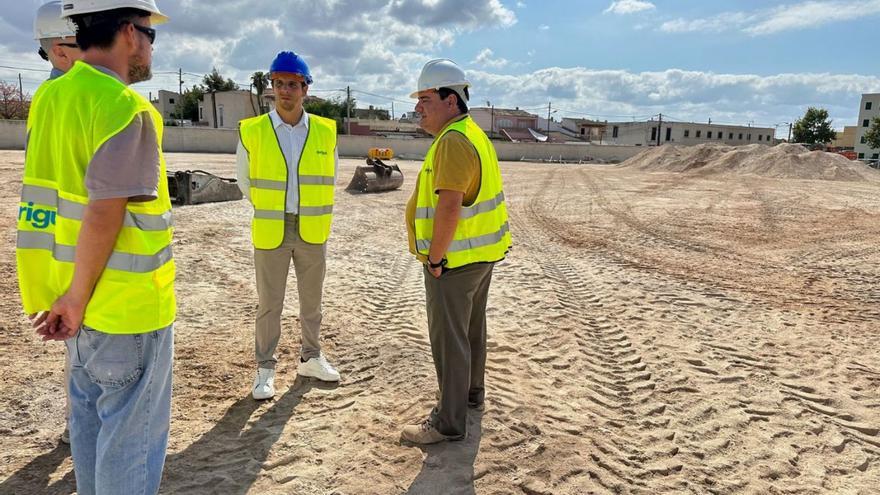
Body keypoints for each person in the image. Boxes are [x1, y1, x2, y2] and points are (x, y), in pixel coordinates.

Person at [17, 1, 175, 493]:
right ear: (129, 32)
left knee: (89, 430)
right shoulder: (124, 107)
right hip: (123, 308)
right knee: (130, 443)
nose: (151, 47)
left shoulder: (52, 97)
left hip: (69, 301)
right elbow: (105, 212)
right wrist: (79, 300)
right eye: (151, 35)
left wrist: (69, 299)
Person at [400, 59, 511, 444]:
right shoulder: (473, 133)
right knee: (471, 331)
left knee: (449, 339)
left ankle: (448, 422)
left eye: (426, 99)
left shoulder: (452, 141)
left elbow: (449, 206)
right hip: (479, 256)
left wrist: (435, 258)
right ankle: (471, 398)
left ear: (451, 101)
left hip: (454, 261)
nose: (418, 107)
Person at [237, 50, 341, 400]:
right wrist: (273, 207)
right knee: (270, 304)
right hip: (272, 228)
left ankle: (311, 358)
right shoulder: (253, 131)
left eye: (293, 84)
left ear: (305, 89)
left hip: (312, 228)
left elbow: (331, 177)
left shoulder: (326, 132)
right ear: (272, 87)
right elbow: (244, 182)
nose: (285, 90)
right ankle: (265, 369)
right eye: (279, 83)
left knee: (312, 303)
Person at [31, 0, 84, 446]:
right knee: (80, 348)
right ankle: (78, 424)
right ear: (60, 51)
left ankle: (79, 422)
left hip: (73, 244)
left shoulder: (58, 98)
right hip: (75, 246)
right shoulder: (57, 101)